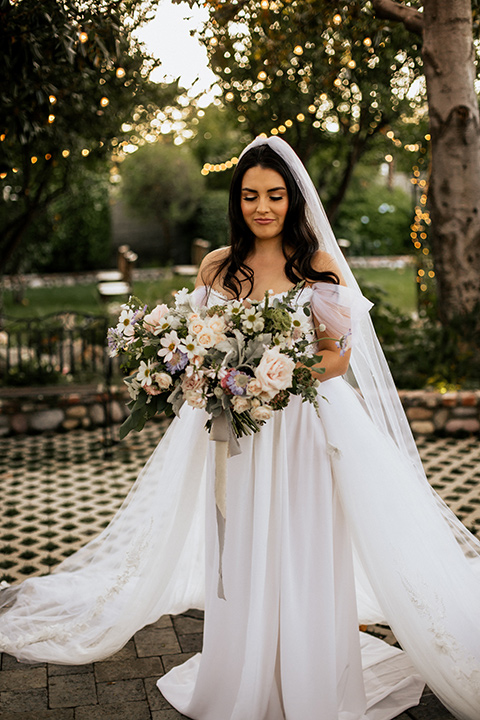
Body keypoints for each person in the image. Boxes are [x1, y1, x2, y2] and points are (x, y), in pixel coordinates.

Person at [1, 137, 480, 720]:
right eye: (251, 195)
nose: (263, 207)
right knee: (243, 544)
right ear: (238, 200)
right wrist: (203, 374)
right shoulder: (219, 268)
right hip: (238, 431)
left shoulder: (320, 266)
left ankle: (309, 671)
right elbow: (200, 347)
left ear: (293, 199)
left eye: (275, 195)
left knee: (303, 544)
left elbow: (338, 358)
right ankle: (244, 666)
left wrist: (275, 376)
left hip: (305, 428)